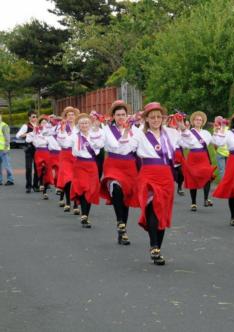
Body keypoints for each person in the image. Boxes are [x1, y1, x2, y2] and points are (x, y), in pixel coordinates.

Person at [131, 102, 197, 265]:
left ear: (163, 118)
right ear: (146, 118)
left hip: (166, 175)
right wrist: (126, 132)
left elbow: (191, 143)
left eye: (158, 117)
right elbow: (126, 147)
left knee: (162, 210)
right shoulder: (138, 133)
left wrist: (182, 127)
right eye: (152, 117)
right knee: (153, 207)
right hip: (148, 174)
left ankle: (157, 248)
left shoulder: (172, 133)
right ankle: (154, 245)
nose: (155, 120)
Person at [100, 100, 140, 245]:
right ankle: (120, 222)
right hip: (113, 163)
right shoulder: (105, 129)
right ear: (113, 116)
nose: (121, 117)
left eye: (123, 114)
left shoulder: (135, 129)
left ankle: (123, 230)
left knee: (126, 198)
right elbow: (103, 144)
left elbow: (137, 146)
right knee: (116, 190)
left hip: (129, 165)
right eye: (118, 115)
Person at [62, 113, 105, 228]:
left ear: (90, 124)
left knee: (90, 190)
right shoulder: (74, 136)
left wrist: (96, 131)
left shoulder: (94, 134)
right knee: (82, 187)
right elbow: (64, 143)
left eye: (86, 123)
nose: (84, 125)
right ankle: (84, 213)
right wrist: (62, 131)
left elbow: (100, 145)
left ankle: (86, 215)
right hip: (79, 164)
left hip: (91, 164)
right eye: (81, 123)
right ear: (78, 125)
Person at [182, 111, 216, 211]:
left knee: (207, 175)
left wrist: (218, 131)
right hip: (193, 156)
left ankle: (206, 199)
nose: (198, 121)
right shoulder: (189, 132)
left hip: (203, 156)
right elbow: (185, 144)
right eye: (196, 119)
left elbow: (214, 142)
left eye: (200, 120)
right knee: (192, 178)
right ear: (193, 121)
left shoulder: (206, 133)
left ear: (202, 122)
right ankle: (193, 203)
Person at [56, 106, 81, 214]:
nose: (71, 116)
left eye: (72, 115)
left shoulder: (79, 127)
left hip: (76, 155)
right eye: (68, 115)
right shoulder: (62, 127)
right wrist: (61, 129)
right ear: (65, 117)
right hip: (65, 154)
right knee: (67, 179)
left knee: (75, 179)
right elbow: (60, 141)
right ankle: (67, 202)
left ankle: (75, 203)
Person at [25, 116, 54, 199]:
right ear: (40, 123)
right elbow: (28, 140)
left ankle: (45, 190)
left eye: (45, 122)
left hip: (47, 151)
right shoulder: (36, 131)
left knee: (47, 170)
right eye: (42, 123)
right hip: (38, 152)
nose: (44, 124)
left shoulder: (50, 132)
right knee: (40, 168)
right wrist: (33, 133)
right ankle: (41, 183)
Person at [16, 111, 39, 192]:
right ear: (29, 117)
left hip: (38, 148)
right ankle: (28, 186)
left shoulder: (39, 126)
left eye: (36, 116)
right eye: (33, 117)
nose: (35, 118)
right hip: (29, 148)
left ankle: (36, 185)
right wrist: (28, 133)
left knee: (37, 168)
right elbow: (18, 135)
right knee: (28, 168)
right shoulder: (26, 126)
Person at [0, 111, 14, 186]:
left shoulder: (4, 126)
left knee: (7, 165)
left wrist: (6, 147)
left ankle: (10, 179)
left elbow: (7, 138)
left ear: (1, 116)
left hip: (4, 150)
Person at [212, 116, 229, 180]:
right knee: (228, 170)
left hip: (220, 152)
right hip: (229, 152)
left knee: (222, 170)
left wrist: (216, 150)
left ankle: (223, 185)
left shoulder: (216, 129)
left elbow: (215, 143)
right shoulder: (228, 128)